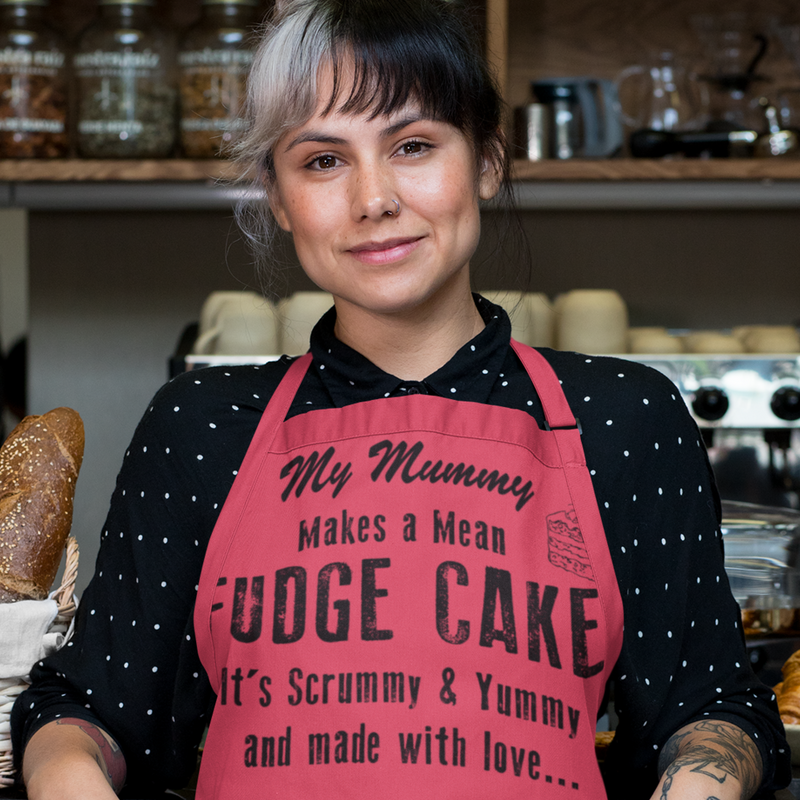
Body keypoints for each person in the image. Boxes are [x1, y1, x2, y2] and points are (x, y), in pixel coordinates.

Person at [11, 0, 791, 797]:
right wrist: (69, 773)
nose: (373, 198)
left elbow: (714, 708)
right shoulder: (201, 426)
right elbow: (91, 711)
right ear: (277, 195)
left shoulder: (624, 419)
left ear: (487, 159)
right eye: (323, 160)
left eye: (412, 145)